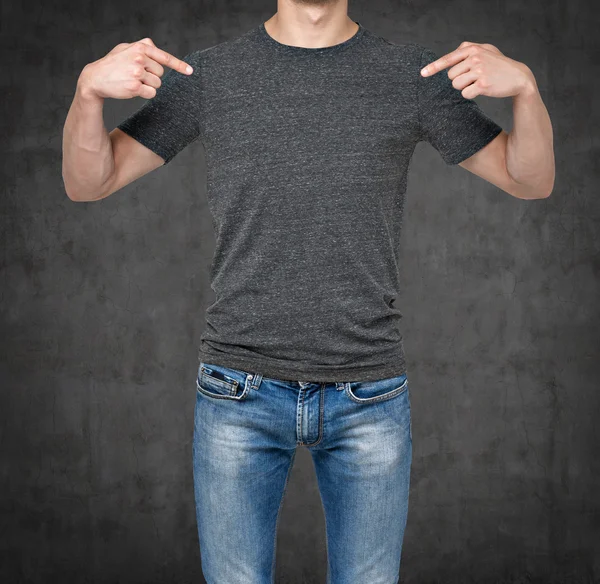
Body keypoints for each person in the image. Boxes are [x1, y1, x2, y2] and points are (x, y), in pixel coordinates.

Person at [62, 0, 554, 581]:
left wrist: (526, 90)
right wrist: (86, 92)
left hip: (368, 393)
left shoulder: (412, 77)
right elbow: (88, 181)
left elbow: (531, 179)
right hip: (237, 390)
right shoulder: (210, 77)